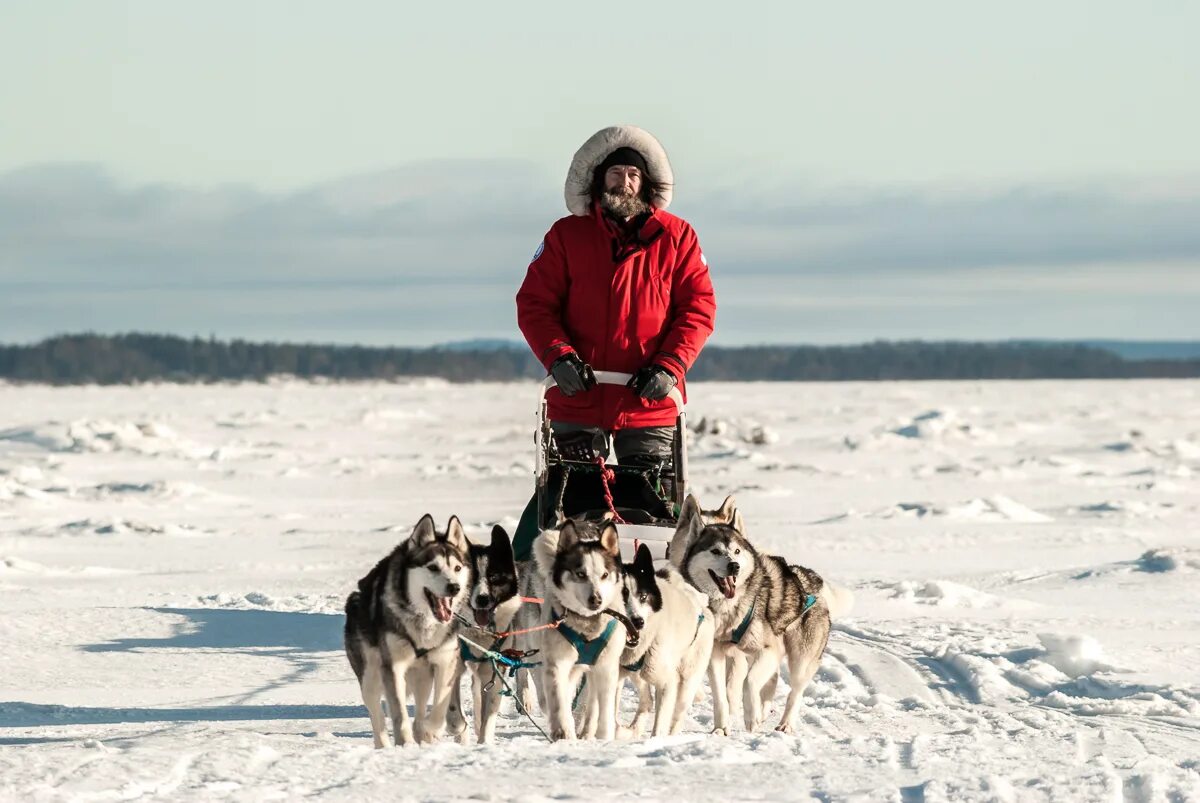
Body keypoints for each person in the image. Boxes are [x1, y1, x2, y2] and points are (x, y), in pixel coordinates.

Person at [513, 126, 716, 555]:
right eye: (615, 174)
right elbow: (534, 304)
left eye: (632, 175)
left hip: (648, 399)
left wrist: (670, 366)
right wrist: (559, 359)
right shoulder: (566, 236)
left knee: (653, 509)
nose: (624, 183)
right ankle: (534, 582)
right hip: (578, 391)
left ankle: (662, 587)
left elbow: (698, 309)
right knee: (568, 505)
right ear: (598, 180)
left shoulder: (678, 238)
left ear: (646, 184)